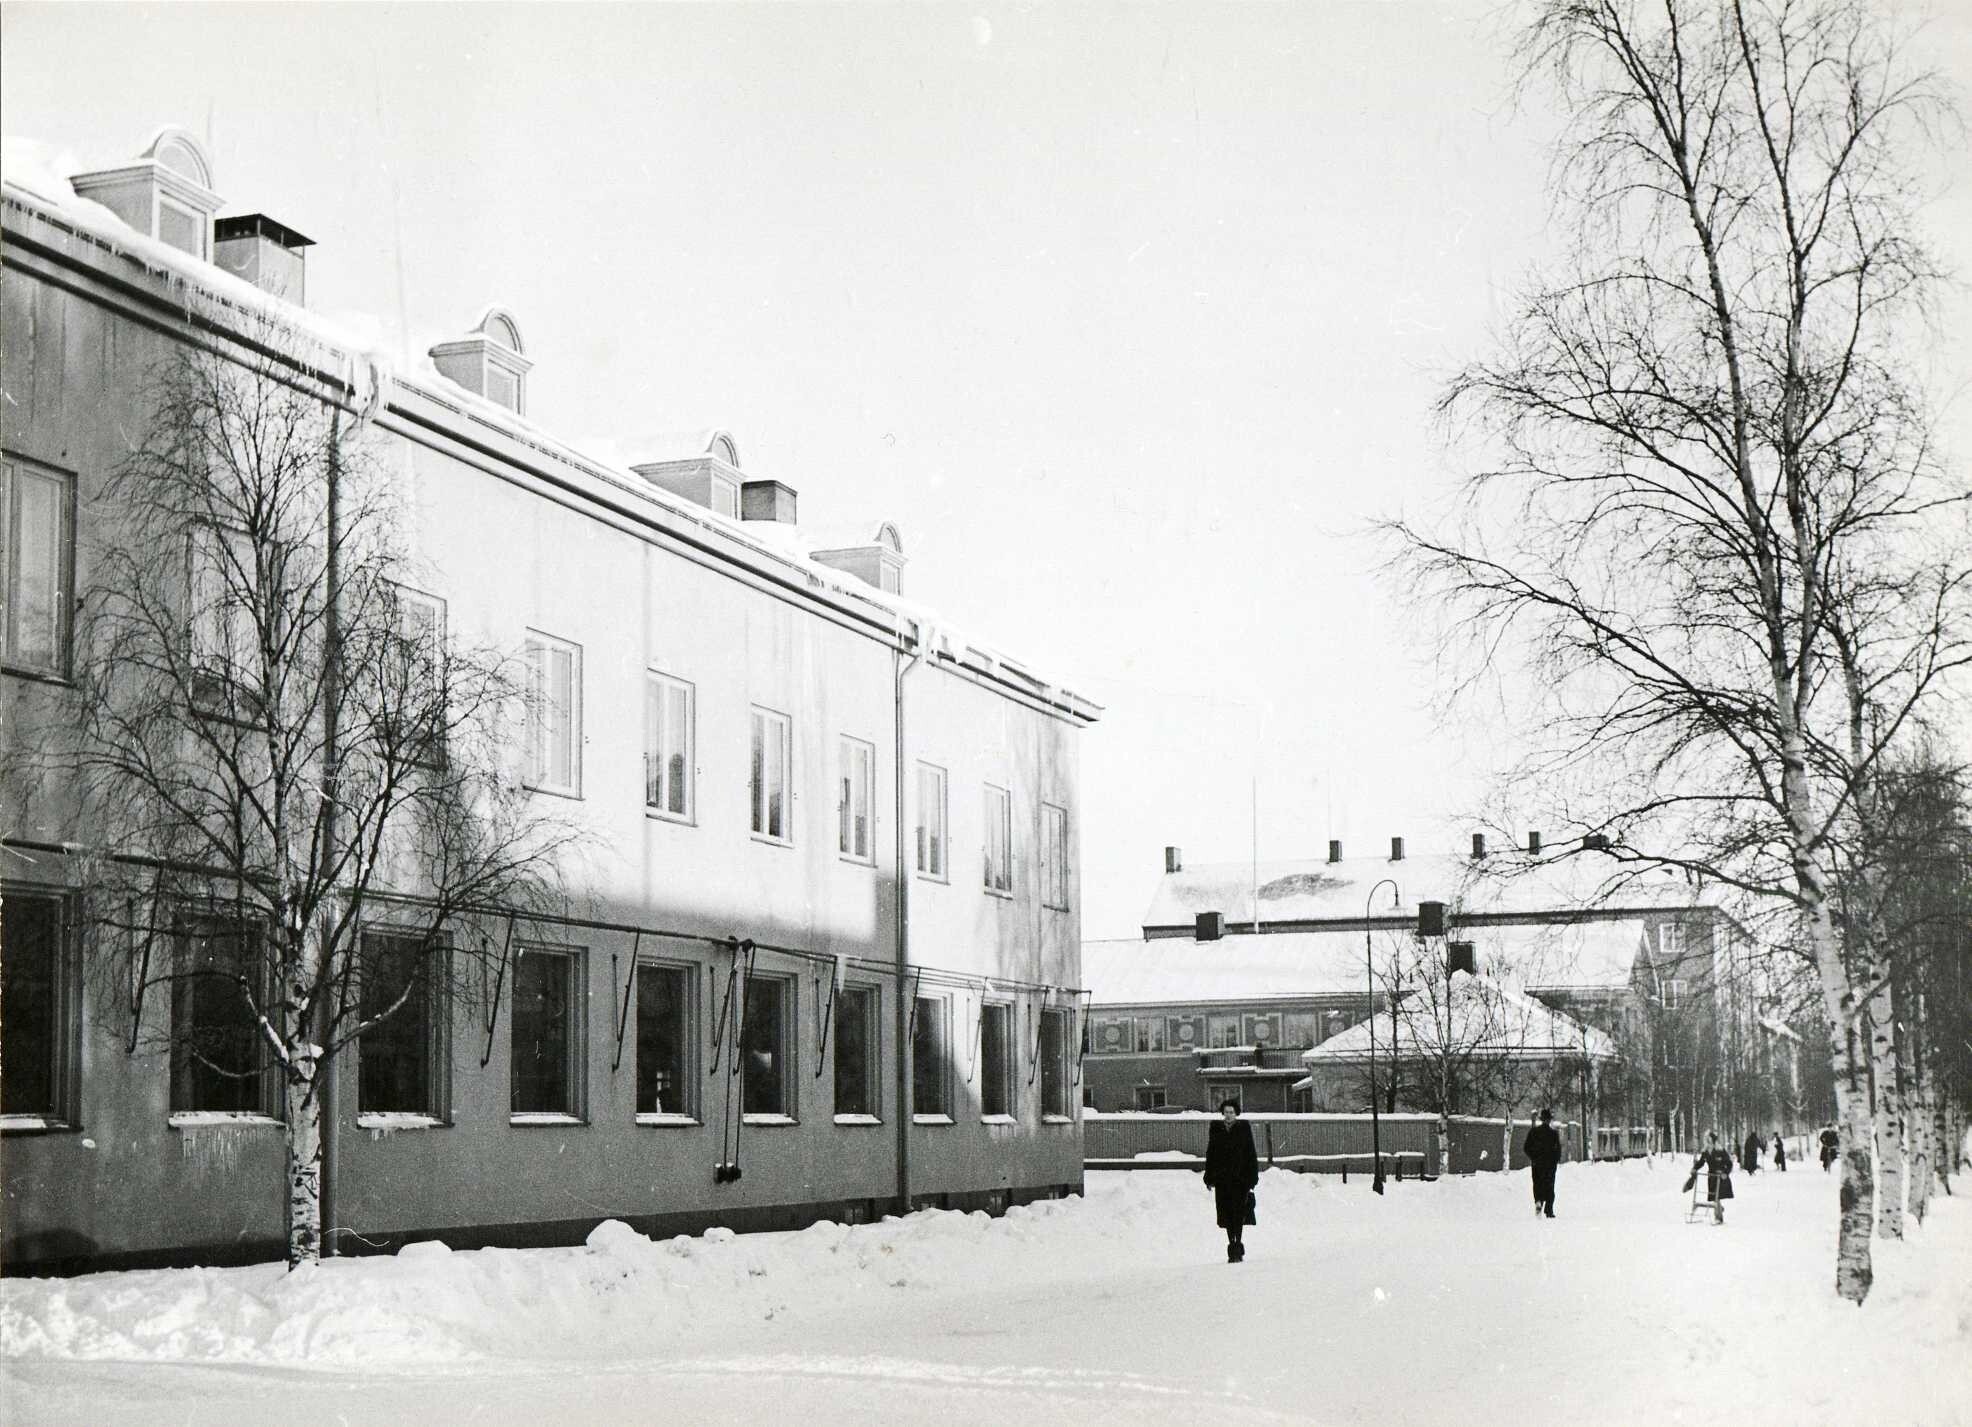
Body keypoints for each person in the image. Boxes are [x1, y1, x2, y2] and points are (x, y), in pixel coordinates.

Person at [1203, 1099, 1259, 1263]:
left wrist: (1252, 1177)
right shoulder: (1216, 1129)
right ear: (1223, 1113)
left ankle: (1238, 1246)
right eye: (1226, 1112)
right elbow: (1211, 1154)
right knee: (1226, 1214)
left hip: (1240, 1179)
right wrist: (1209, 1177)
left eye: (1231, 1112)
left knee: (1239, 1213)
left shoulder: (1243, 1129)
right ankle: (1231, 1244)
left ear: (1236, 1114)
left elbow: (1251, 1154)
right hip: (1222, 1180)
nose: (1228, 1115)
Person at [1522, 1107, 1562, 1219]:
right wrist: (1555, 1161)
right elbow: (1557, 1149)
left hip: (1537, 1164)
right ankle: (1549, 1210)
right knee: (1549, 1186)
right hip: (1549, 1165)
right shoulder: (1553, 1134)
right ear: (1549, 1120)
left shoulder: (1533, 1132)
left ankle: (1538, 1201)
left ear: (1541, 1119)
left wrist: (1533, 1158)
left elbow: (1526, 1147)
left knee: (1538, 1184)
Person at [1691, 1131, 1735, 1224]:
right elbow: (1701, 1162)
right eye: (1707, 1141)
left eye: (1710, 1141)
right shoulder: (1705, 1152)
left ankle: (1718, 1217)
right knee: (1715, 1198)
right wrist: (1694, 1168)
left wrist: (1725, 1173)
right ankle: (1719, 1209)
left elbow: (1729, 1164)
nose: (1708, 1143)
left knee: (1716, 1197)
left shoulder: (1720, 1151)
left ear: (1714, 1142)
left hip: (1721, 1177)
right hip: (1712, 1178)